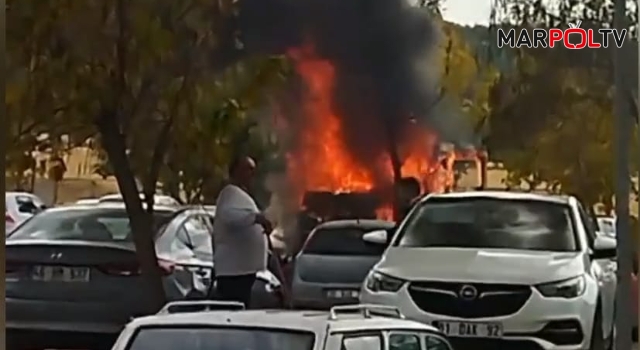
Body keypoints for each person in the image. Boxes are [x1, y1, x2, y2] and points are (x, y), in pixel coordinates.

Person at [212, 155, 273, 307]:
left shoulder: (240, 194)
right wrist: (256, 218)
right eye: (247, 169)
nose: (251, 174)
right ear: (236, 171)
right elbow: (230, 217)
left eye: (253, 170)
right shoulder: (229, 192)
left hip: (242, 270)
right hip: (233, 272)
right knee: (231, 310)